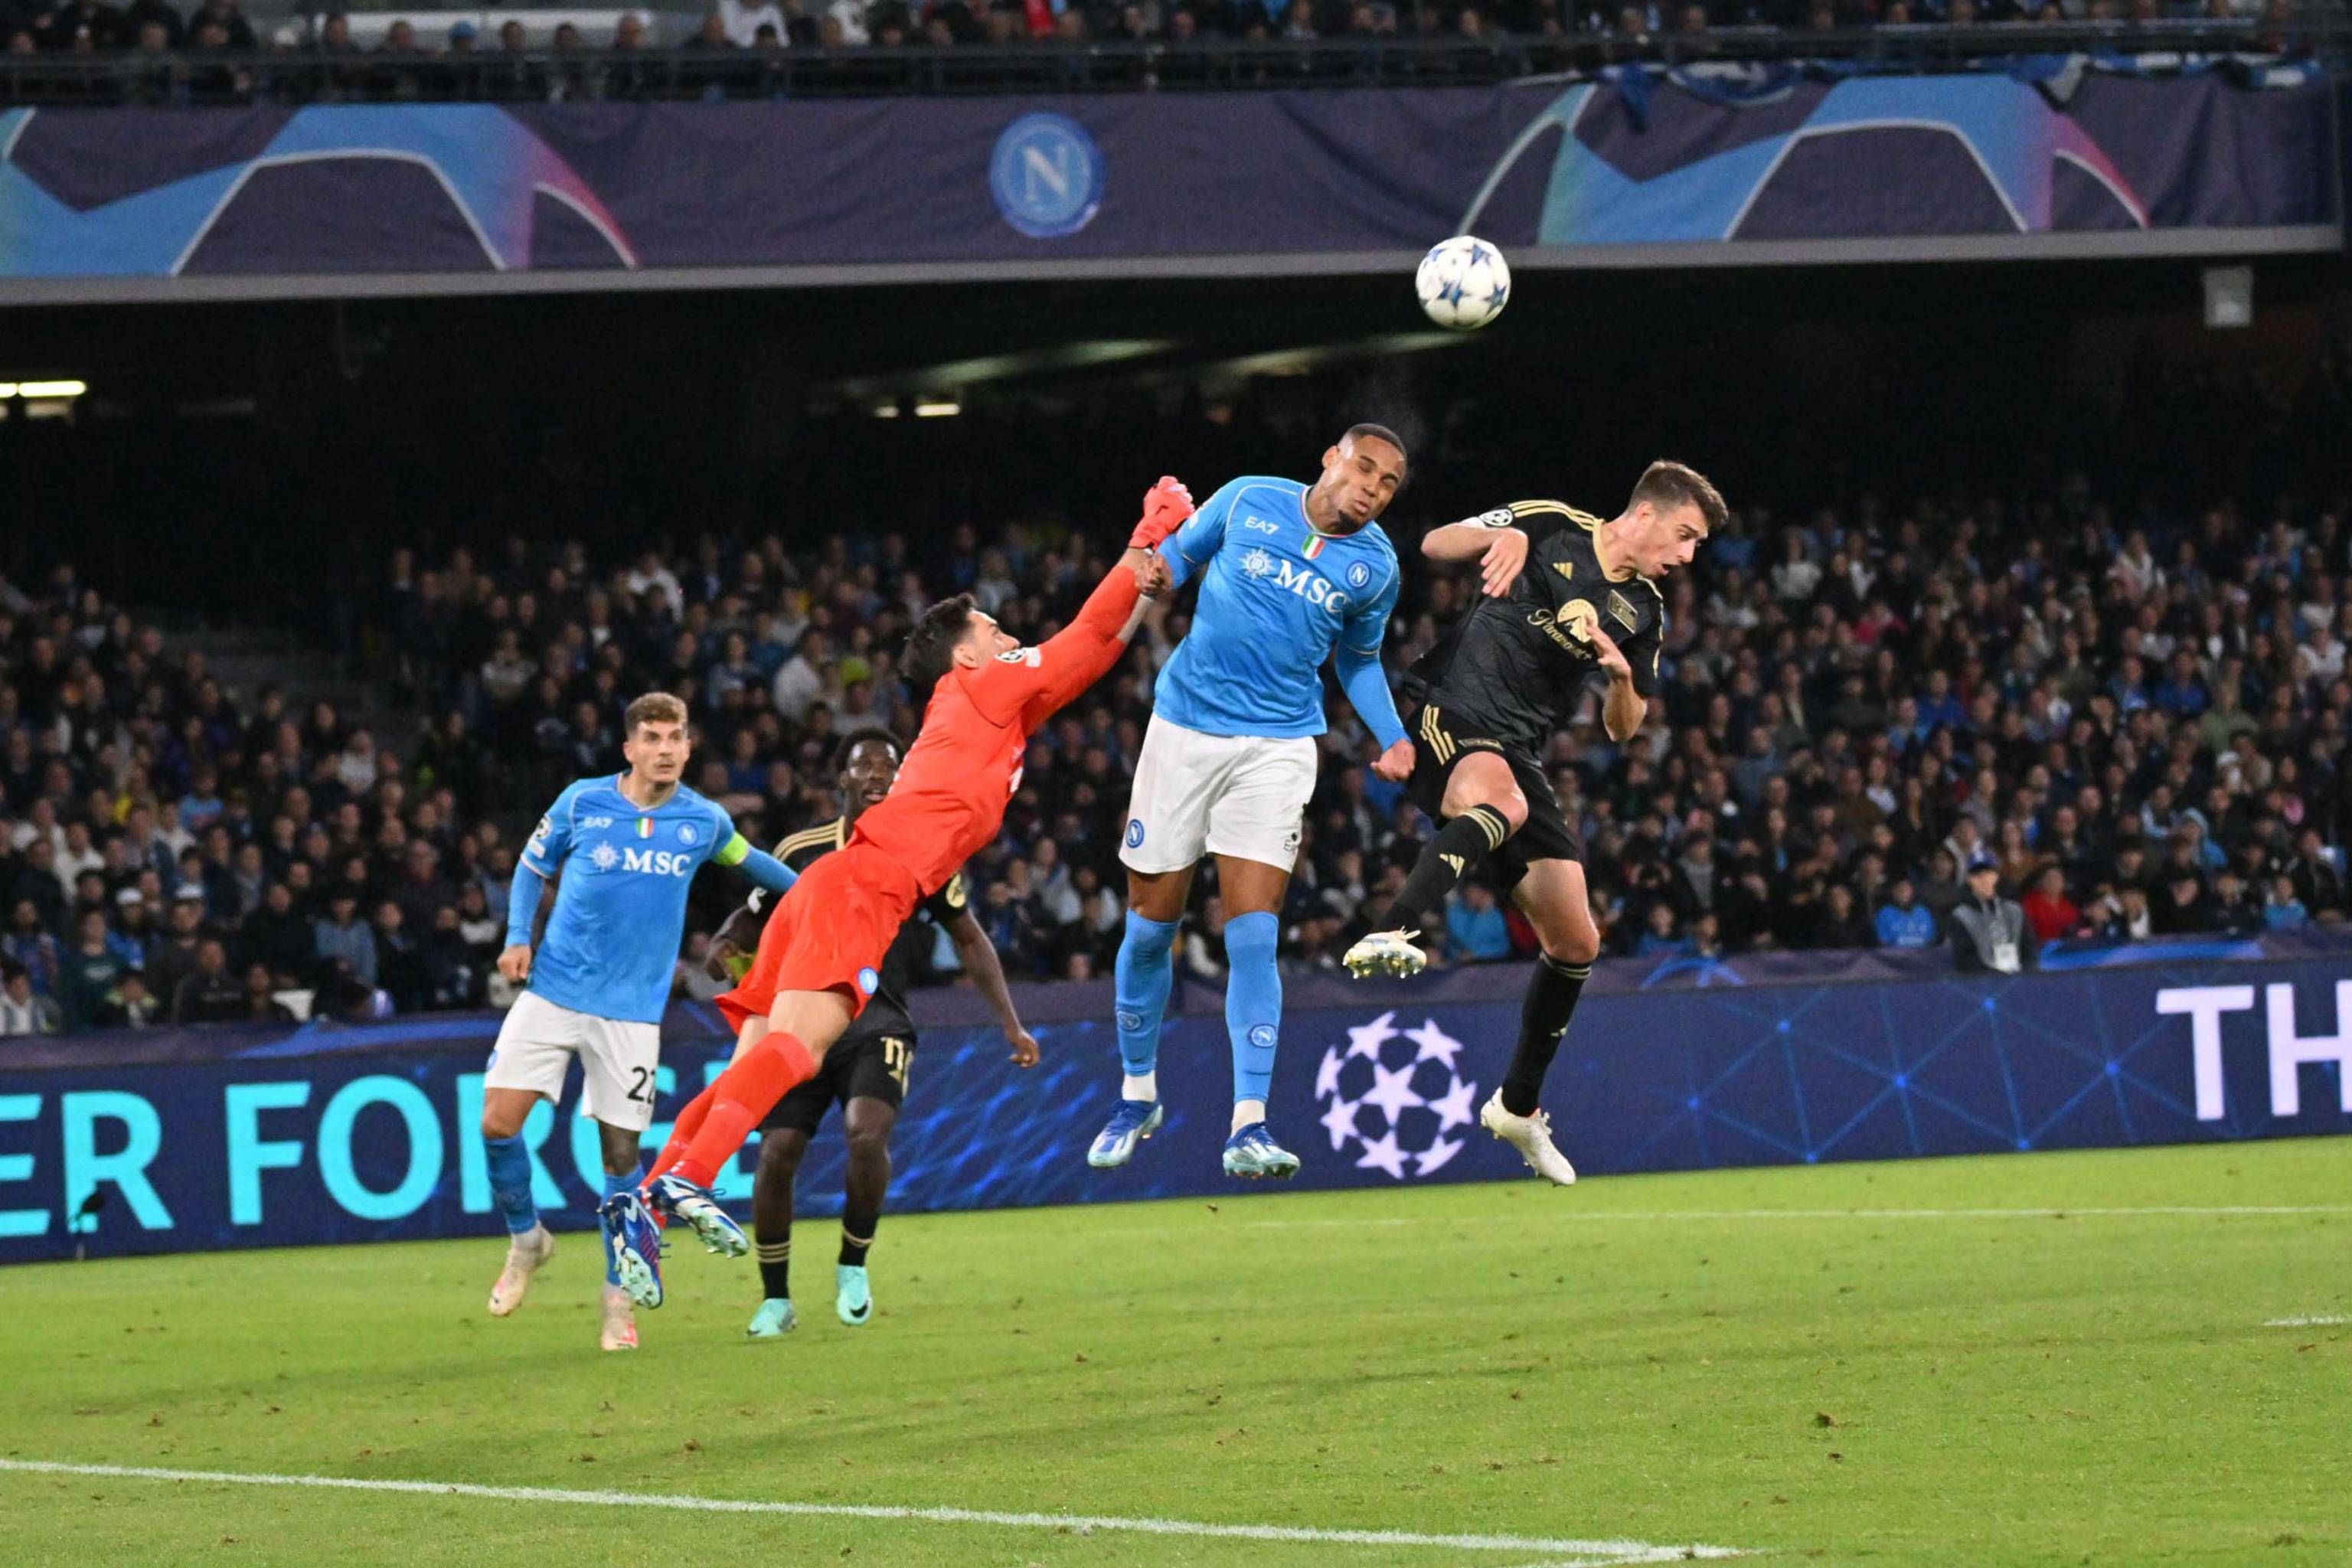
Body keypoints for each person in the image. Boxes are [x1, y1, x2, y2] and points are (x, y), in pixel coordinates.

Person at [604, 479, 1189, 1311]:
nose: (1003, 627)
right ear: (966, 653)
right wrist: (1149, 533)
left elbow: (1095, 653)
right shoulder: (984, 687)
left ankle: (644, 1205)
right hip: (865, 888)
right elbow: (1087, 628)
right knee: (798, 1052)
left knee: (763, 1056)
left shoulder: (996, 708)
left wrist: (1151, 571)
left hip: (839, 884)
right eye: (989, 625)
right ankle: (689, 1180)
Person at [1343, 461, 1725, 1185]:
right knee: (1505, 805)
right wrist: (1500, 540)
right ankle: (1392, 925)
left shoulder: (1642, 611)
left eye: (1697, 545)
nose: (1686, 556)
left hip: (1516, 749)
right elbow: (1433, 544)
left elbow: (1625, 727)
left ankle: (1517, 1108)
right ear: (1645, 515)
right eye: (1684, 536)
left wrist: (1617, 678)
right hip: (1448, 712)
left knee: (1576, 940)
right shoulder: (1551, 520)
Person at [1093, 426, 1414, 1181]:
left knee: (1252, 935)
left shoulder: (1376, 567)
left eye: (1390, 482)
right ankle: (1138, 1094)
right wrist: (1153, 564)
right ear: (1331, 457)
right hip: (1183, 730)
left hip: (1277, 749)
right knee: (1150, 930)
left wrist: (1394, 736)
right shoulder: (1248, 498)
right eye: (1365, 467)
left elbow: (1359, 659)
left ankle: (1250, 1123)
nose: (1373, 487)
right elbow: (1171, 565)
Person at [479, 691, 797, 1353]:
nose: (665, 749)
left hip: (630, 1016)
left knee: (622, 1158)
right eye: (651, 738)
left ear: (687, 747)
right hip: (555, 990)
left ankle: (617, 1298)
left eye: (675, 738)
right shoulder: (581, 802)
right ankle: (526, 1242)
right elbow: (531, 867)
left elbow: (764, 871)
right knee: (497, 1124)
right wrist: (517, 936)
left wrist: (828, 898)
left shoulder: (702, 822)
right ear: (629, 748)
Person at [706, 729, 1038, 1338]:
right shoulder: (802, 850)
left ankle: (852, 1264)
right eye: (867, 765)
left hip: (877, 1020)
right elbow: (750, 916)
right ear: (842, 779)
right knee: (778, 1153)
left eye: (891, 764)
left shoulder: (925, 852)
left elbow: (970, 937)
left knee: (866, 1135)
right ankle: (775, 1298)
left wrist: (1011, 1023)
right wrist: (725, 945)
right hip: (802, 1023)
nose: (880, 773)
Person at [1950, 854, 2037, 975]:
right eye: (1977, 875)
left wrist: (2026, 973)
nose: (1983, 879)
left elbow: (2029, 948)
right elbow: (1964, 958)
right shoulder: (1961, 916)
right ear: (1969, 879)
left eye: (1988, 873)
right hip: (1980, 982)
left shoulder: (2014, 911)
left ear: (1996, 876)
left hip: (2017, 978)